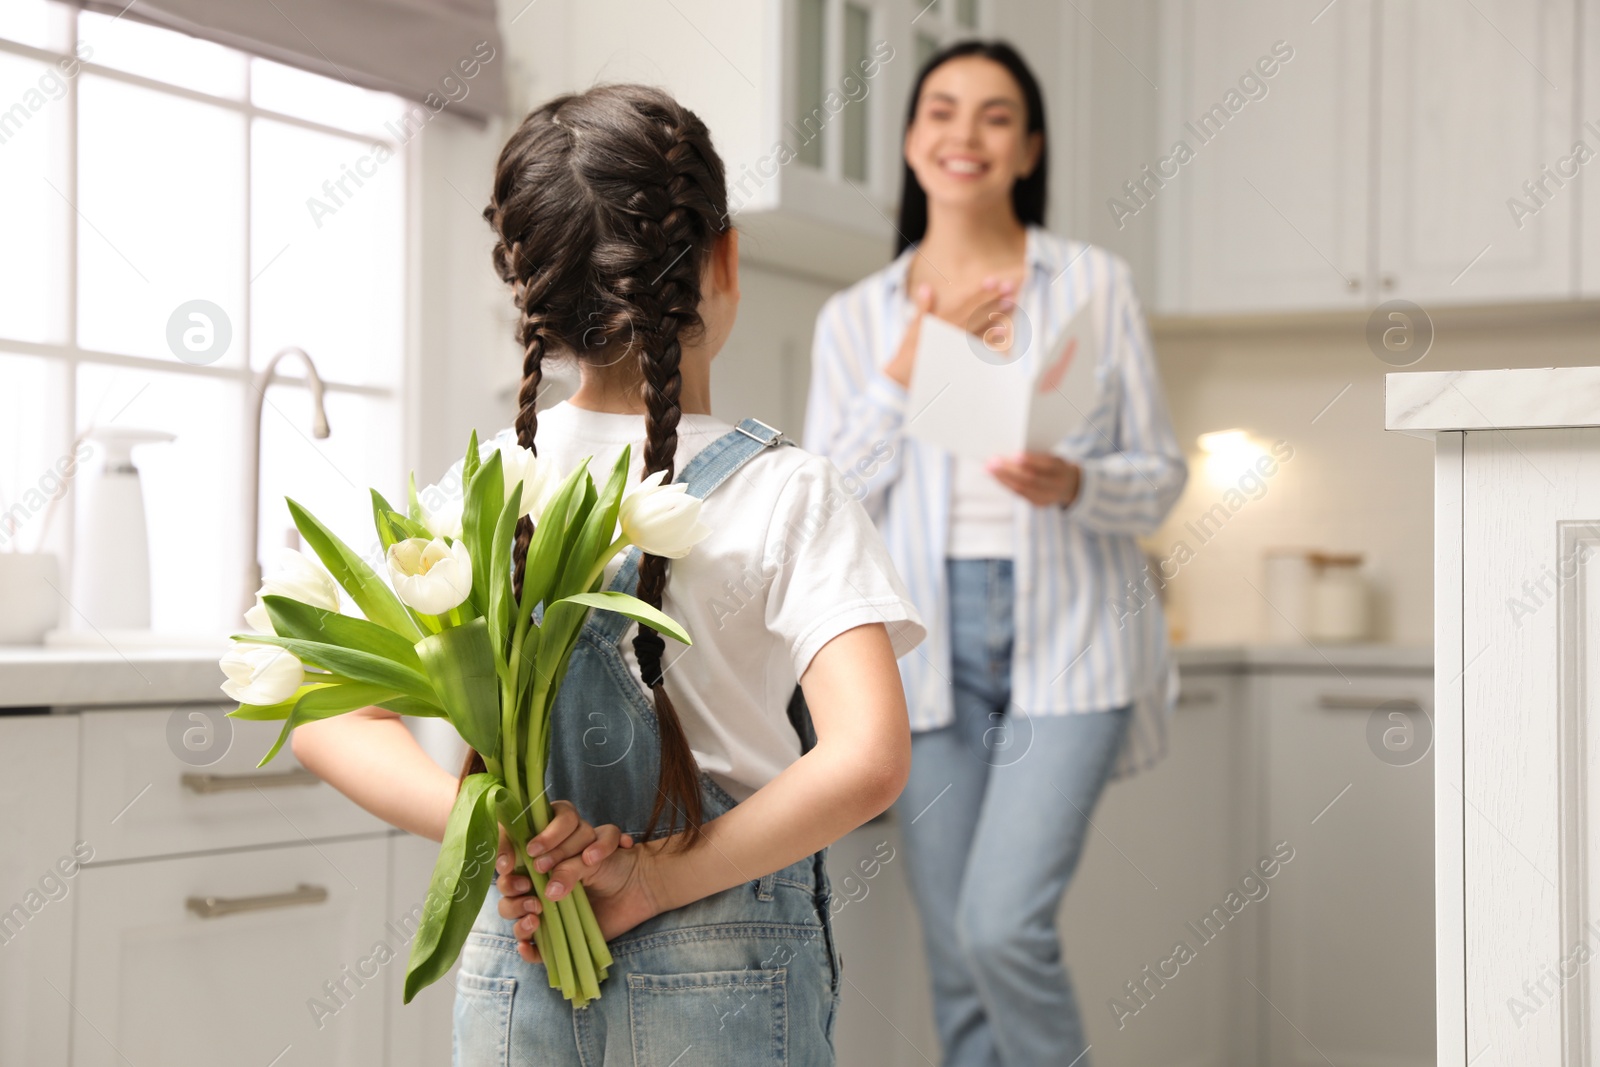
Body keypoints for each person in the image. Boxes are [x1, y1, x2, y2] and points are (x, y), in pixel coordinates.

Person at [290, 83, 926, 1066]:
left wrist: (505, 836)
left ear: (531, 291)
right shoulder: (790, 491)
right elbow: (869, 755)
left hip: (525, 948)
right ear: (723, 258)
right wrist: (658, 880)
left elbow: (323, 709)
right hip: (723, 945)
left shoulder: (480, 488)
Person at [802, 40, 1188, 1066]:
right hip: (924, 653)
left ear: (1030, 147)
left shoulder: (1093, 287)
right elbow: (825, 503)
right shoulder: (856, 320)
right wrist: (904, 367)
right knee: (957, 960)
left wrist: (1081, 482)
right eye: (940, 110)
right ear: (909, 139)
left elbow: (1159, 473)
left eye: (995, 114)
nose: (964, 134)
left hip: (1072, 642)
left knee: (1000, 924)